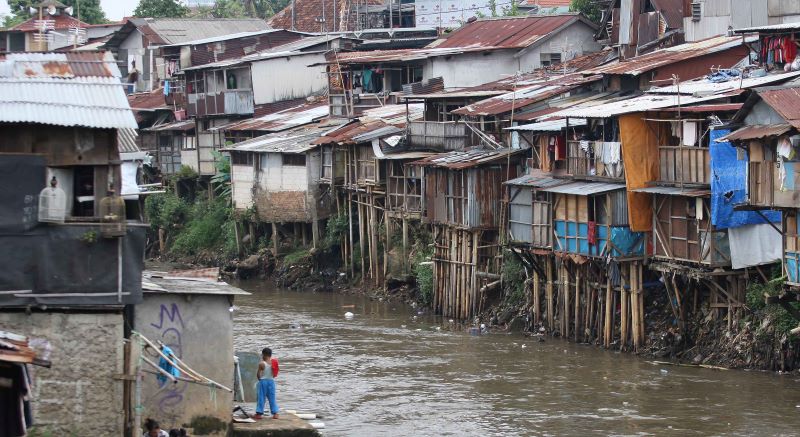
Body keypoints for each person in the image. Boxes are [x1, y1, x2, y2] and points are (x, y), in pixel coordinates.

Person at [254, 347, 279, 420]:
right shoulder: (274, 362)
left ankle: (259, 413)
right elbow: (275, 373)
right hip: (271, 381)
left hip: (263, 381)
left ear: (264, 355)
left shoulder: (262, 363)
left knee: (261, 398)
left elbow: (258, 374)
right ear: (270, 355)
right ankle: (275, 413)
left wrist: (260, 380)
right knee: (272, 398)